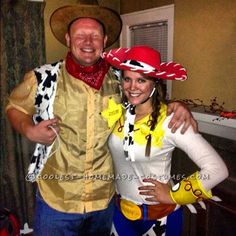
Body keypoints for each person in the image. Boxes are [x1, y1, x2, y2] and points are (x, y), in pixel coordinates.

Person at [6, 2, 197, 236]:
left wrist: (176, 106)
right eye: (80, 35)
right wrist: (28, 129)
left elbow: (147, 99)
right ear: (68, 39)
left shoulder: (121, 80)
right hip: (56, 202)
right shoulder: (43, 77)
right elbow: (14, 106)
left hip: (104, 202)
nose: (88, 42)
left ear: (105, 41)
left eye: (95, 36)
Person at [102, 45, 229, 236]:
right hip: (120, 214)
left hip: (160, 218)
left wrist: (175, 195)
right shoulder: (119, 112)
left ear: (154, 83)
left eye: (141, 80)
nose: (132, 87)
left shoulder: (171, 121)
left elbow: (218, 170)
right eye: (127, 79)